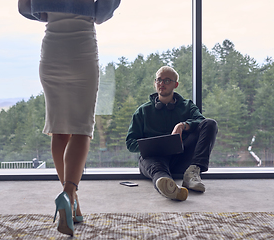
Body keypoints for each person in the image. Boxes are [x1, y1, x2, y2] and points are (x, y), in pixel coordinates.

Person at [18, 0, 120, 236]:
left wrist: (50, 12)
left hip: (52, 50)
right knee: (82, 128)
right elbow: (104, 10)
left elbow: (24, 7)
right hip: (81, 50)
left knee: (60, 128)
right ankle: (69, 194)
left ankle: (71, 200)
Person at [126, 66, 218, 201]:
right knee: (156, 168)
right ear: (155, 83)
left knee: (210, 123)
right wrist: (152, 145)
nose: (161, 84)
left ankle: (192, 173)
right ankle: (168, 186)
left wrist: (183, 125)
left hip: (181, 158)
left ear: (176, 85)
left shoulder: (187, 106)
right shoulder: (142, 111)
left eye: (167, 80)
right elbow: (130, 143)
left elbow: (201, 122)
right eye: (159, 80)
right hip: (154, 159)